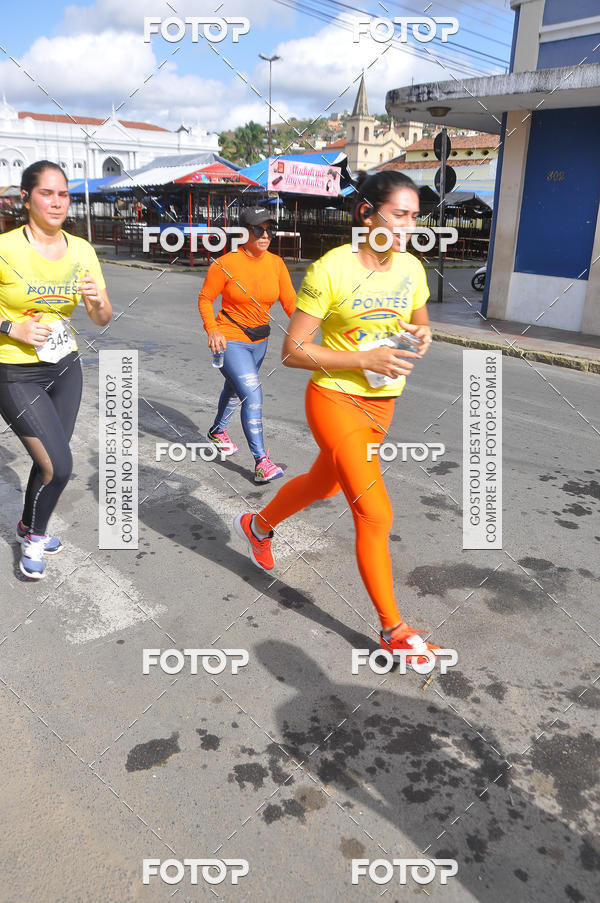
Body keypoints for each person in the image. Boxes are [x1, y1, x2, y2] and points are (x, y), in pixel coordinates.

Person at [233, 171, 444, 665]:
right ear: (366, 213)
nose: (409, 227)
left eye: (414, 217)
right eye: (399, 215)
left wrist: (421, 334)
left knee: (326, 484)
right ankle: (394, 629)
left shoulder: (411, 269)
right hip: (334, 397)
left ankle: (258, 525)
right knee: (374, 512)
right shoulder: (332, 269)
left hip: (381, 402)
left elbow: (419, 320)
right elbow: (294, 351)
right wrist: (364, 360)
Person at [0, 160, 112, 579]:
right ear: (26, 198)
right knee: (59, 466)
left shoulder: (81, 250)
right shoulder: (6, 248)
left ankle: (31, 524)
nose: (57, 201)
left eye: (63, 193)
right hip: (14, 372)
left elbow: (102, 316)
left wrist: (95, 300)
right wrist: (13, 327)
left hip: (65, 368)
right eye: (47, 192)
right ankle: (32, 537)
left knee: (48, 459)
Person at [198, 205, 296, 482]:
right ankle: (261, 461)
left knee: (235, 388)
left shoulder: (276, 264)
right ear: (244, 232)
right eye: (259, 230)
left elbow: (290, 303)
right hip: (230, 338)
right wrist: (213, 330)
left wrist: (312, 322)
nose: (265, 235)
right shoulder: (225, 263)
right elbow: (205, 298)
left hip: (260, 340)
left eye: (270, 230)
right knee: (252, 394)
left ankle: (217, 431)